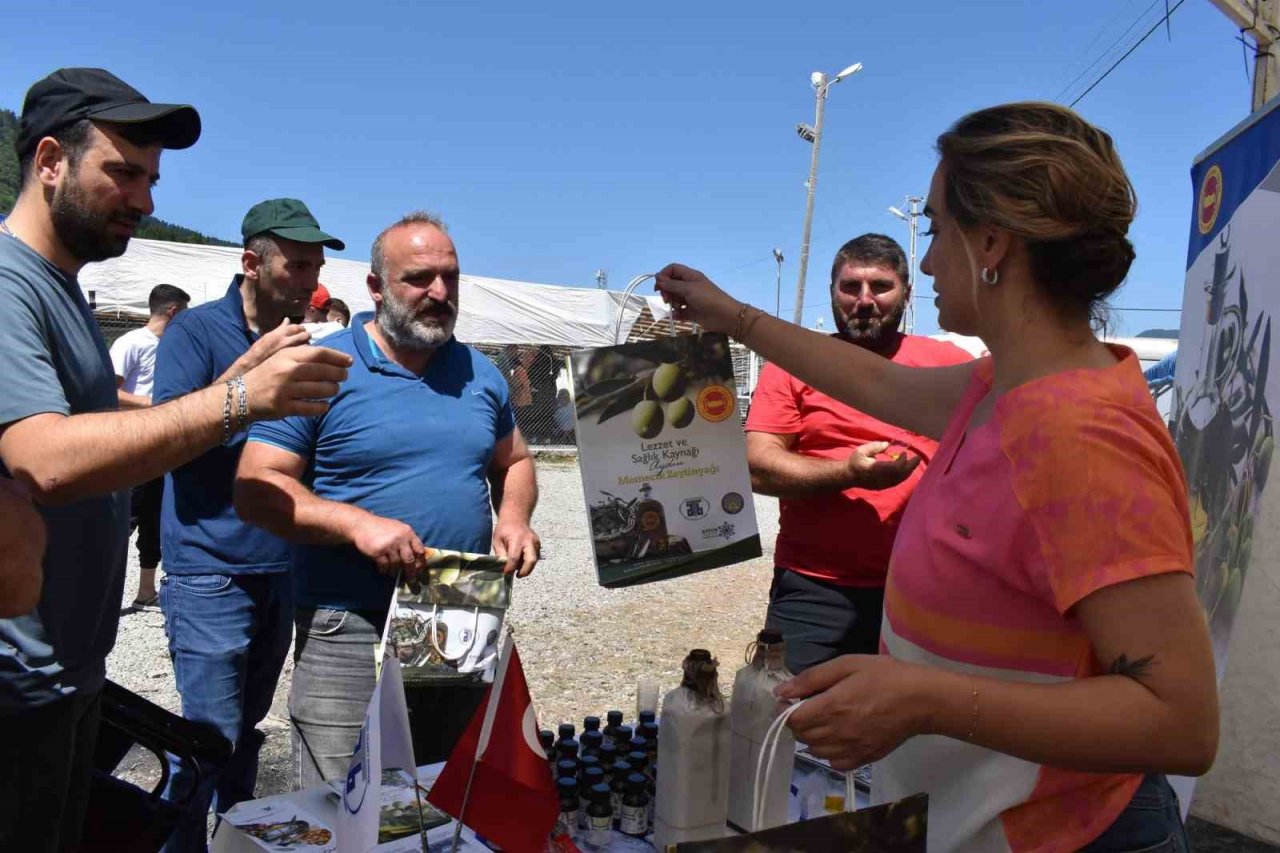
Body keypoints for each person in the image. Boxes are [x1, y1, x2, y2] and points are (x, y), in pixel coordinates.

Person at [654, 102, 1217, 851]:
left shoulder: (1083, 436)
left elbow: (1180, 720)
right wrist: (734, 317)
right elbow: (872, 383)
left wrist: (927, 699)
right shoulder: (1001, 387)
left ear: (991, 242)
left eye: (936, 230)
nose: (924, 262)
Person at [0, 68, 350, 853]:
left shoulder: (61, 288)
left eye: (151, 179)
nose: (148, 201)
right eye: (124, 173)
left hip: (66, 673)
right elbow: (44, 460)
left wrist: (239, 386)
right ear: (50, 161)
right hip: (21, 687)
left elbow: (121, 426)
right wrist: (242, 400)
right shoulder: (7, 283)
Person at [235, 211, 541, 787]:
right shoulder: (322, 368)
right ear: (375, 288)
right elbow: (256, 487)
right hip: (347, 626)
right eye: (420, 279)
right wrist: (354, 524)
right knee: (338, 803)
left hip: (458, 612)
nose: (440, 292)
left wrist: (515, 518)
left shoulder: (481, 373)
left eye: (450, 277)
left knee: (443, 790)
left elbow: (516, 460)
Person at [153, 198, 346, 851]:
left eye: (316, 266)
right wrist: (247, 374)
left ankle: (238, 841)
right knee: (206, 737)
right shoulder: (196, 333)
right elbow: (166, 439)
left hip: (281, 569)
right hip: (209, 572)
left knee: (246, 735)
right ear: (250, 263)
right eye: (296, 265)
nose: (310, 281)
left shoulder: (306, 341)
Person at [746, 234, 970, 672]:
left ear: (906, 292)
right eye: (850, 287)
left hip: (927, 588)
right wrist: (846, 474)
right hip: (816, 589)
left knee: (919, 730)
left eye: (881, 286)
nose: (865, 300)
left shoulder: (949, 364)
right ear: (831, 292)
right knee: (794, 722)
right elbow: (757, 467)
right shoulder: (794, 363)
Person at [110, 283, 191, 610]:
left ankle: (146, 591)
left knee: (154, 520)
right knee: (122, 521)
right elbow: (107, 390)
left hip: (164, 448)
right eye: (184, 312)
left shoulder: (175, 348)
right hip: (132, 446)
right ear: (173, 311)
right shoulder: (131, 342)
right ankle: (101, 591)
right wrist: (147, 403)